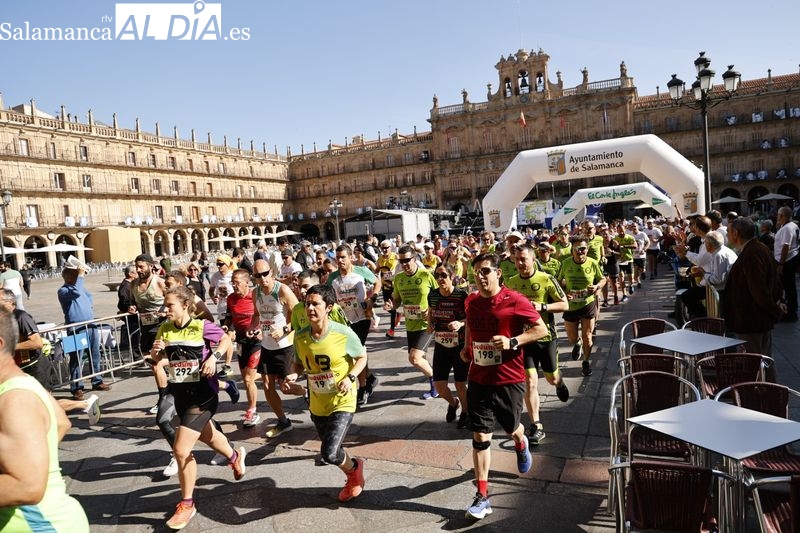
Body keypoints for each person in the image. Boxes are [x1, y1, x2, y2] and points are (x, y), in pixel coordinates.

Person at [459, 253, 548, 520]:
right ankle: (482, 496)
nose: (480, 276)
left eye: (485, 270)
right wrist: (466, 347)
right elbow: (470, 328)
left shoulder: (515, 300)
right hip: (478, 378)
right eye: (476, 272)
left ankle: (521, 442)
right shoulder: (471, 301)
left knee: (511, 427)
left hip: (509, 378)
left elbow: (540, 329)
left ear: (498, 273)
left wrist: (513, 342)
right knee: (480, 436)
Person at [148, 285, 245, 530]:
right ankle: (235, 457)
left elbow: (225, 338)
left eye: (169, 305)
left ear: (184, 305)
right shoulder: (165, 328)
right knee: (211, 438)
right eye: (165, 305)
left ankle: (187, 504)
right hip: (181, 394)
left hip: (203, 395)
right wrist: (156, 354)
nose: (165, 309)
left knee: (181, 450)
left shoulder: (201, 326)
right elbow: (158, 360)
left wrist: (214, 357)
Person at [0, 306, 90, 532]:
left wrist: (30, 468)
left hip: (42, 527)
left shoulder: (15, 398)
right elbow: (61, 423)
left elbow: (27, 487)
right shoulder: (20, 385)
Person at [282, 284, 368, 502]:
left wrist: (351, 378)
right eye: (307, 303)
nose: (309, 308)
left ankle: (354, 469)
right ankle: (354, 472)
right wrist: (292, 375)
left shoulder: (343, 333)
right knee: (333, 452)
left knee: (328, 453)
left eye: (315, 304)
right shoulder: (300, 336)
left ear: (328, 307)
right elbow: (299, 364)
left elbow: (361, 357)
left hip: (342, 399)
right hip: (317, 402)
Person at [506, 244, 570, 444]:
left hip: (546, 338)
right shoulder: (511, 282)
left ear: (533, 260)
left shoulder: (546, 279)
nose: (520, 263)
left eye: (523, 259)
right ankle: (537, 425)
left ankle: (559, 382)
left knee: (551, 378)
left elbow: (564, 304)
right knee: (530, 382)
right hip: (525, 341)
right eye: (516, 259)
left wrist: (542, 306)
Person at [724, 217, 785, 379]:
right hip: (756, 318)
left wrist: (775, 309)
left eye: (729, 232)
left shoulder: (752, 253)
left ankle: (762, 395)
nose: (727, 236)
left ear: (736, 233)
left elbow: (758, 290)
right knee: (763, 360)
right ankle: (769, 394)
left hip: (752, 319)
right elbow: (775, 279)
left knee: (756, 362)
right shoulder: (758, 248)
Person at [250, 259, 299, 439]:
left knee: (287, 387)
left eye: (265, 274)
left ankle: (310, 393)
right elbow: (257, 315)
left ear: (271, 272)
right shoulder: (255, 293)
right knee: (267, 385)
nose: (263, 279)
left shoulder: (282, 290)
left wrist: (285, 329)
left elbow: (300, 315)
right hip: (267, 345)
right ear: (253, 277)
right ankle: (283, 421)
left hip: (285, 345)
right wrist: (253, 328)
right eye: (258, 275)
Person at [384, 244, 439, 400]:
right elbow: (396, 300)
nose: (404, 264)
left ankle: (438, 382)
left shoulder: (426, 275)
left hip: (427, 324)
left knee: (414, 358)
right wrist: (391, 306)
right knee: (421, 359)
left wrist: (431, 310)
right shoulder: (399, 279)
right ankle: (435, 387)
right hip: (410, 324)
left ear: (415, 259)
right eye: (401, 261)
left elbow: (437, 296)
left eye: (407, 260)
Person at [327, 245, 379, 405]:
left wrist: (372, 299)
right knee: (355, 353)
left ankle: (362, 388)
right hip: (344, 321)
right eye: (338, 258)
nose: (340, 261)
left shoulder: (361, 271)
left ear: (351, 257)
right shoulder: (333, 277)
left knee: (356, 353)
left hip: (362, 318)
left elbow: (377, 282)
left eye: (343, 257)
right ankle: (370, 378)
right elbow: (328, 295)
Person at [57, 264, 110, 400]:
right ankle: (76, 387)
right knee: (76, 358)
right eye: (75, 276)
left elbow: (88, 295)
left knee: (95, 355)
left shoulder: (81, 288)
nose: (80, 278)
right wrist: (80, 275)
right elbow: (76, 293)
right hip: (76, 328)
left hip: (90, 325)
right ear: (68, 278)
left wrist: (88, 309)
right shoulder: (63, 291)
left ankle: (97, 380)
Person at [426, 264, 470, 429]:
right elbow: (431, 312)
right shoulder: (433, 295)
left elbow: (470, 319)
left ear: (452, 277)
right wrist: (429, 324)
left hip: (459, 345)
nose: (440, 279)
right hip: (441, 345)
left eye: (443, 275)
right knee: (439, 385)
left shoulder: (461, 295)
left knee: (460, 383)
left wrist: (460, 323)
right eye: (437, 276)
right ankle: (454, 403)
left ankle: (465, 412)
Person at [557, 236, 606, 377]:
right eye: (577, 249)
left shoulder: (592, 263)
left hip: (587, 304)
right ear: (572, 250)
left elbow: (603, 279)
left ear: (587, 249)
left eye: (583, 248)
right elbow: (558, 281)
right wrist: (564, 294)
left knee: (588, 336)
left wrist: (596, 286)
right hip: (571, 305)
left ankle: (586, 361)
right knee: (572, 338)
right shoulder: (565, 263)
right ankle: (577, 343)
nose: (580, 251)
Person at [224, 268, 262, 427]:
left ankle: (252, 411)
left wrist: (260, 331)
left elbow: (267, 316)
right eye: (232, 282)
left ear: (247, 282)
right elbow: (228, 317)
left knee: (248, 379)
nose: (234, 285)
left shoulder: (256, 296)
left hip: (256, 342)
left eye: (237, 282)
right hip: (241, 342)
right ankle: (270, 374)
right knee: (247, 377)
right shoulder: (231, 298)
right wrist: (227, 328)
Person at [774, 206, 799, 322]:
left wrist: (781, 264)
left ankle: (791, 313)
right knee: (789, 287)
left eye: (778, 215)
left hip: (787, 261)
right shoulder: (791, 226)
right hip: (789, 259)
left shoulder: (788, 228)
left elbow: (786, 246)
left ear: (782, 216)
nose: (777, 217)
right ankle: (788, 310)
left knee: (789, 288)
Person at [376, 240, 400, 337]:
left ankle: (391, 330)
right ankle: (397, 314)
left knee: (391, 307)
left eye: (387, 247)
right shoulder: (380, 259)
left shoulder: (395, 256)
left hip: (395, 287)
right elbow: (377, 270)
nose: (385, 250)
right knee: (387, 307)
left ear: (391, 247)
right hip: (385, 287)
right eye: (383, 248)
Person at [117, 264, 139, 351]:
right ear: (131, 274)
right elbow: (124, 301)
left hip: (133, 315)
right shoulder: (125, 286)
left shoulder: (130, 284)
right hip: (131, 316)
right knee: (134, 336)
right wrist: (129, 307)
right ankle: (136, 354)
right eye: (136, 272)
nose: (138, 274)